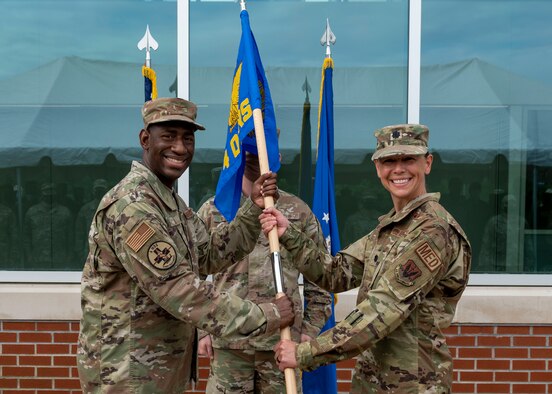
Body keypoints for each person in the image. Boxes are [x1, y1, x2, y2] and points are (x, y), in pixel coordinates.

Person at [77, 97, 295, 394]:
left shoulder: (168, 202)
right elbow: (179, 289)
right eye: (168, 136)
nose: (180, 148)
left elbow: (209, 254)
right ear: (145, 139)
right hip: (127, 375)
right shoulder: (133, 206)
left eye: (187, 138)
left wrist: (253, 208)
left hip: (156, 369)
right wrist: (265, 315)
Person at [261, 124, 472, 393]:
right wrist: (289, 234)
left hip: (414, 385)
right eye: (389, 161)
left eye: (408, 159)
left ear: (427, 163)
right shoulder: (389, 229)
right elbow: (335, 273)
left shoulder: (433, 231)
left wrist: (305, 353)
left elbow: (382, 309)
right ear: (377, 168)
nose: (398, 169)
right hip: (373, 381)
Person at [197, 151, 332, 394]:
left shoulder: (298, 211)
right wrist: (201, 331)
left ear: (278, 156)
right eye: (248, 151)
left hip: (282, 343)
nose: (255, 157)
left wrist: (308, 331)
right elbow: (192, 275)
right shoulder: (215, 209)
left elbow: (321, 276)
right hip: (230, 341)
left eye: (263, 150)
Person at [24, 182, 74, 268]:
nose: (49, 195)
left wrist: (70, 255)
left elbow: (71, 236)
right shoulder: (32, 212)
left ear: (55, 194)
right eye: (46, 193)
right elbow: (26, 236)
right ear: (42, 194)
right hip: (38, 258)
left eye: (51, 193)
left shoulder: (65, 212)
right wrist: (28, 255)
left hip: (60, 258)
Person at [74, 178, 109, 262]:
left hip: (109, 251)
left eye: (102, 190)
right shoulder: (85, 209)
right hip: (89, 250)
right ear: (93, 191)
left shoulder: (114, 207)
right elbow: (79, 232)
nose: (99, 192)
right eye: (97, 190)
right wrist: (79, 251)